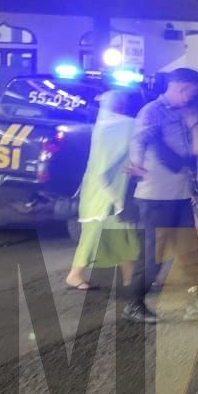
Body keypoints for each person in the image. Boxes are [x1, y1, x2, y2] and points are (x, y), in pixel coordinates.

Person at [119, 68, 198, 323]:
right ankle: (134, 305)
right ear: (181, 87)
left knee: (191, 253)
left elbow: (196, 151)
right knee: (153, 257)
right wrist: (137, 164)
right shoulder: (152, 112)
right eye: (191, 92)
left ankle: (197, 304)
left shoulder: (185, 113)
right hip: (156, 197)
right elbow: (138, 141)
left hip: (180, 196)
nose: (192, 97)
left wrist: (195, 186)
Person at [64, 89, 144, 291]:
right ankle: (75, 274)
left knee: (120, 234)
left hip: (98, 191)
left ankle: (130, 279)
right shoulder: (123, 126)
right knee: (105, 234)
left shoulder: (104, 125)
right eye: (123, 103)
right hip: (106, 194)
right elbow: (143, 129)